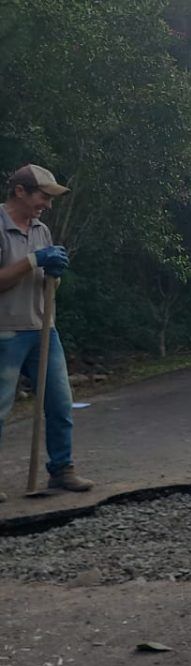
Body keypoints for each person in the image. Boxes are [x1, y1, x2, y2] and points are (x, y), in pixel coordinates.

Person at [0, 165, 93, 501]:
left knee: (60, 402)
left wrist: (54, 271)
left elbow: (46, 282)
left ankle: (62, 470)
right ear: (20, 191)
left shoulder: (42, 230)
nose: (48, 205)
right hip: (5, 330)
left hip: (43, 329)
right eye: (43, 196)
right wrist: (33, 260)